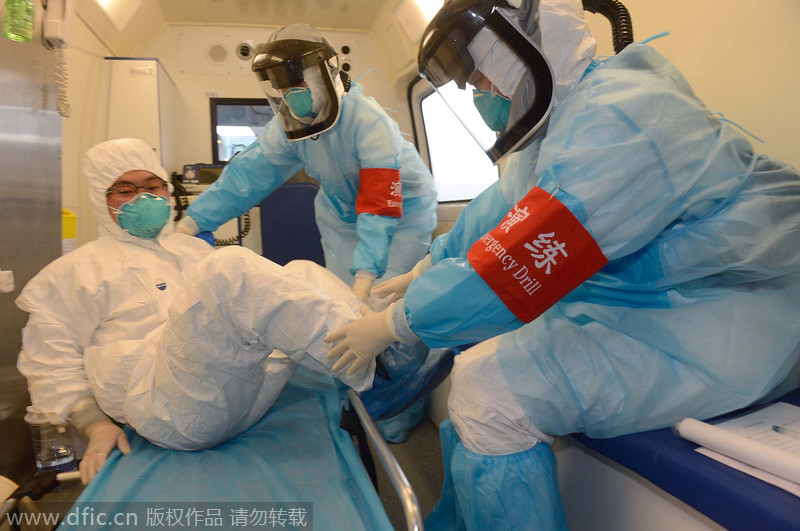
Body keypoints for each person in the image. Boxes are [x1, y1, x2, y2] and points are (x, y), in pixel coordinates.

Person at [325, 0, 800, 529]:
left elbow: (518, 257)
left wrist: (396, 323)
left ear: (526, 40)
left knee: (489, 395)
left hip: (733, 317)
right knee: (476, 369)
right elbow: (500, 209)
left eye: (479, 72)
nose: (478, 91)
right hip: (656, 308)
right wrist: (426, 266)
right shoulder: (563, 118)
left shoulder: (621, 120)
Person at [16, 138, 381, 485]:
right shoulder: (75, 271)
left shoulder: (190, 249)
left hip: (244, 388)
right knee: (230, 267)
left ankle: (382, 344)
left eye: (153, 186)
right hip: (175, 409)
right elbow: (50, 360)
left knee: (303, 271)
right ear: (101, 198)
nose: (143, 197)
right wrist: (95, 424)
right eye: (125, 190)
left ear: (167, 191)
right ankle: (377, 372)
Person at [176, 23, 438, 305]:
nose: (290, 95)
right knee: (340, 299)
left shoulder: (367, 120)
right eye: (283, 87)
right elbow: (247, 177)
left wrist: (365, 278)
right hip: (340, 214)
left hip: (402, 213)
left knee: (380, 298)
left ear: (327, 72)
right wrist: (192, 222)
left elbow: (380, 202)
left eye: (297, 83)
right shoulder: (288, 129)